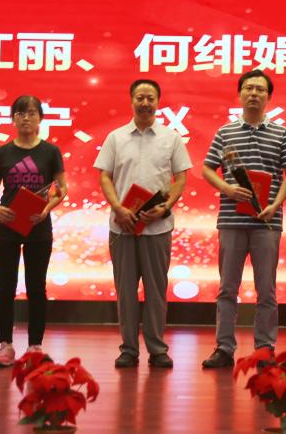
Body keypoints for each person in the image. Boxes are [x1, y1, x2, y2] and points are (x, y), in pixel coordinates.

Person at [200, 69, 286, 368]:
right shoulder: (225, 132)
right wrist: (227, 188)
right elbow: (207, 168)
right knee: (227, 288)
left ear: (268, 97)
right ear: (240, 94)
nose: (254, 94)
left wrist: (276, 203)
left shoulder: (281, 133)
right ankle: (224, 348)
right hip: (231, 221)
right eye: (248, 88)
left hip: (267, 222)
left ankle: (265, 348)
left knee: (266, 290)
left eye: (260, 89)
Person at [94, 79, 192, 369]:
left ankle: (157, 349)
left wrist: (166, 207)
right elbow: (105, 176)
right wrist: (118, 208)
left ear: (158, 102)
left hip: (157, 227)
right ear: (131, 101)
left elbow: (181, 178)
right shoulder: (116, 137)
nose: (145, 103)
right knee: (125, 292)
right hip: (123, 225)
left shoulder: (171, 138)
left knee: (156, 290)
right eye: (140, 97)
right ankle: (128, 349)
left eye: (150, 98)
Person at [0, 95, 67, 368]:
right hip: (6, 227)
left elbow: (61, 189)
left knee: (36, 287)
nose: (26, 118)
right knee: (5, 287)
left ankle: (35, 346)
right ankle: (5, 345)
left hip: (38, 226)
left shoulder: (50, 152)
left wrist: (47, 209)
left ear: (40, 118)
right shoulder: (3, 153)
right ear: (13, 119)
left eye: (31, 113)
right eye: (20, 113)